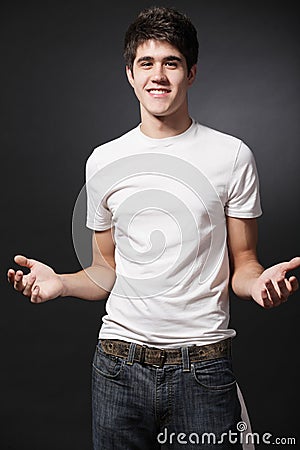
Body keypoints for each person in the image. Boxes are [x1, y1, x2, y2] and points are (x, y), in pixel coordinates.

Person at [7, 6, 299, 450]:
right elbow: (105, 270)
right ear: (129, 73)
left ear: (192, 73)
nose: (158, 75)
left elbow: (243, 263)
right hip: (117, 368)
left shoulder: (232, 155)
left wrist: (259, 283)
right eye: (146, 62)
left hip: (203, 370)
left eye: (171, 62)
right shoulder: (103, 160)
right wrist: (61, 284)